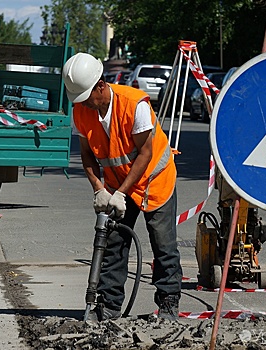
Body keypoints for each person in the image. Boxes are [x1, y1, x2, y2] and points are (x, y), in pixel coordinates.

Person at [62, 52, 182, 321]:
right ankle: (109, 306)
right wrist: (98, 188)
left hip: (154, 179)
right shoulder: (81, 111)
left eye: (87, 97)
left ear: (101, 86)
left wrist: (120, 193)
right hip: (118, 184)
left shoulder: (133, 104)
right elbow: (87, 154)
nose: (85, 105)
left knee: (163, 244)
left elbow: (145, 154)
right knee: (114, 244)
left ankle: (168, 303)